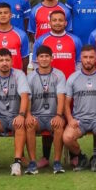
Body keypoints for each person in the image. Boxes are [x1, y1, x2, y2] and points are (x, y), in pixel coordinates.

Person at [62, 46, 96, 172]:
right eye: (85, 57)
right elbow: (66, 102)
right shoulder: (73, 78)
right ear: (81, 59)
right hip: (79, 120)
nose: (88, 60)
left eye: (91, 57)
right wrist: (70, 119)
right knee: (67, 138)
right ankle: (81, 157)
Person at [0, 49, 31, 177]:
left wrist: (21, 115)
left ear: (12, 61)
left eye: (7, 60)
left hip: (15, 115)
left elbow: (24, 96)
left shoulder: (19, 74)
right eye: (1, 60)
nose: (4, 63)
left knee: (20, 124)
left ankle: (17, 163)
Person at [25, 46, 67, 174]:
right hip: (37, 116)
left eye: (47, 56)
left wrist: (59, 115)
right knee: (30, 124)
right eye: (41, 56)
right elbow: (27, 99)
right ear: (36, 59)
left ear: (52, 58)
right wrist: (28, 115)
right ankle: (32, 162)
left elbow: (61, 98)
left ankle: (57, 162)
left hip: (53, 115)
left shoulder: (59, 75)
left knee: (59, 125)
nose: (44, 59)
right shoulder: (30, 77)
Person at [0, 3, 29, 72]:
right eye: (0, 13)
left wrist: (21, 74)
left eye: (5, 13)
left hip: (15, 77)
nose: (3, 15)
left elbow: (25, 58)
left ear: (10, 15)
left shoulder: (21, 35)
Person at [32, 11, 82, 78]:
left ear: (65, 23)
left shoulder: (76, 40)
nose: (57, 23)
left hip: (69, 83)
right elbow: (35, 62)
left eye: (60, 20)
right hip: (48, 83)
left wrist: (75, 78)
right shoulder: (40, 41)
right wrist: (43, 78)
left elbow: (79, 62)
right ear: (50, 23)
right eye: (54, 20)